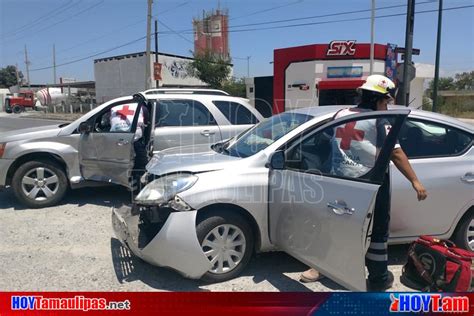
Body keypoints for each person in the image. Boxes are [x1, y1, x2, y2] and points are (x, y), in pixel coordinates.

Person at [299, 74, 428, 291]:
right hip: (370, 184)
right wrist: (415, 181)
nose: (388, 106)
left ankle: (320, 267)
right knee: (377, 232)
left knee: (333, 224)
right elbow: (395, 153)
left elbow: (325, 142)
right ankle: (378, 277)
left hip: (338, 181)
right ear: (381, 99)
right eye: (388, 101)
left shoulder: (342, 114)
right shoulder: (379, 119)